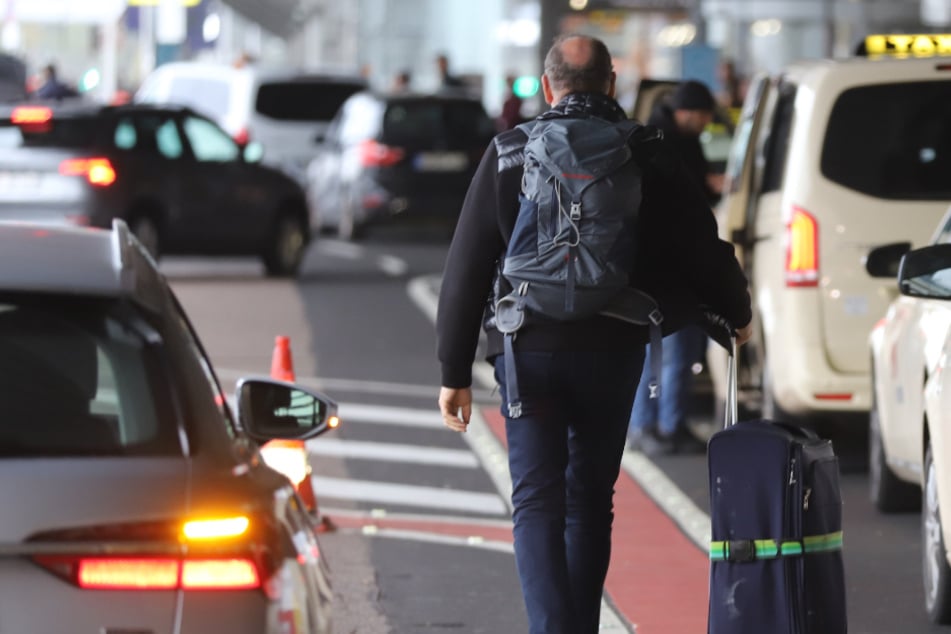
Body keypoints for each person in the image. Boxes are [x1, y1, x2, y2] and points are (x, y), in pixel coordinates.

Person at [436, 34, 752, 634]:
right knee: (589, 501)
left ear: (548, 86)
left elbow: (467, 266)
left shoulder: (509, 151)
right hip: (613, 346)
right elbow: (702, 248)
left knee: (535, 501)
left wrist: (454, 370)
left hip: (527, 349)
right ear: (612, 84)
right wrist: (736, 313)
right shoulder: (650, 151)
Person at [627, 79, 725, 455]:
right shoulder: (663, 143)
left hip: (666, 264)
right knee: (667, 351)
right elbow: (681, 200)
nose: (705, 125)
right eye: (702, 117)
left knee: (669, 351)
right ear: (687, 112)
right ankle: (652, 427)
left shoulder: (665, 140)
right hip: (666, 266)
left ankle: (665, 425)